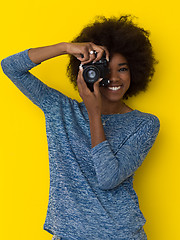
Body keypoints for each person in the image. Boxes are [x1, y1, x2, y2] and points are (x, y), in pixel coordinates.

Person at [1, 15, 160, 240]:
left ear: (135, 71)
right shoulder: (60, 109)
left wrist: (94, 113)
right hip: (69, 234)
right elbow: (10, 67)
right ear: (87, 71)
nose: (114, 78)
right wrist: (66, 48)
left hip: (121, 234)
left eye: (122, 69)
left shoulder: (145, 124)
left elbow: (108, 178)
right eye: (105, 70)